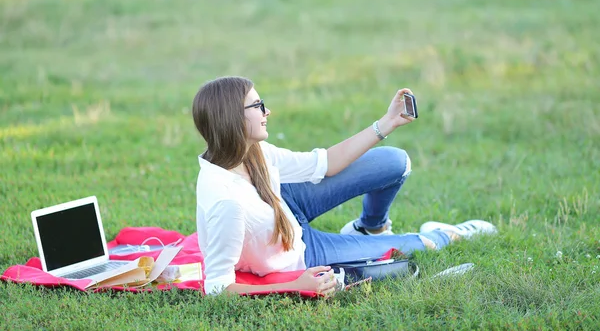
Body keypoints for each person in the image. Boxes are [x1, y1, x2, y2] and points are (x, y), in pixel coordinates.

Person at [192, 76, 496, 296]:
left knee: (393, 162)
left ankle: (370, 227)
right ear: (233, 119)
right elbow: (217, 287)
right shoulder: (227, 203)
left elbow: (326, 163)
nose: (266, 111)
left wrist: (386, 123)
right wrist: (296, 285)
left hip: (285, 207)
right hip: (301, 252)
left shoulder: (252, 152)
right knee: (417, 246)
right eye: (258, 105)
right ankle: (449, 234)